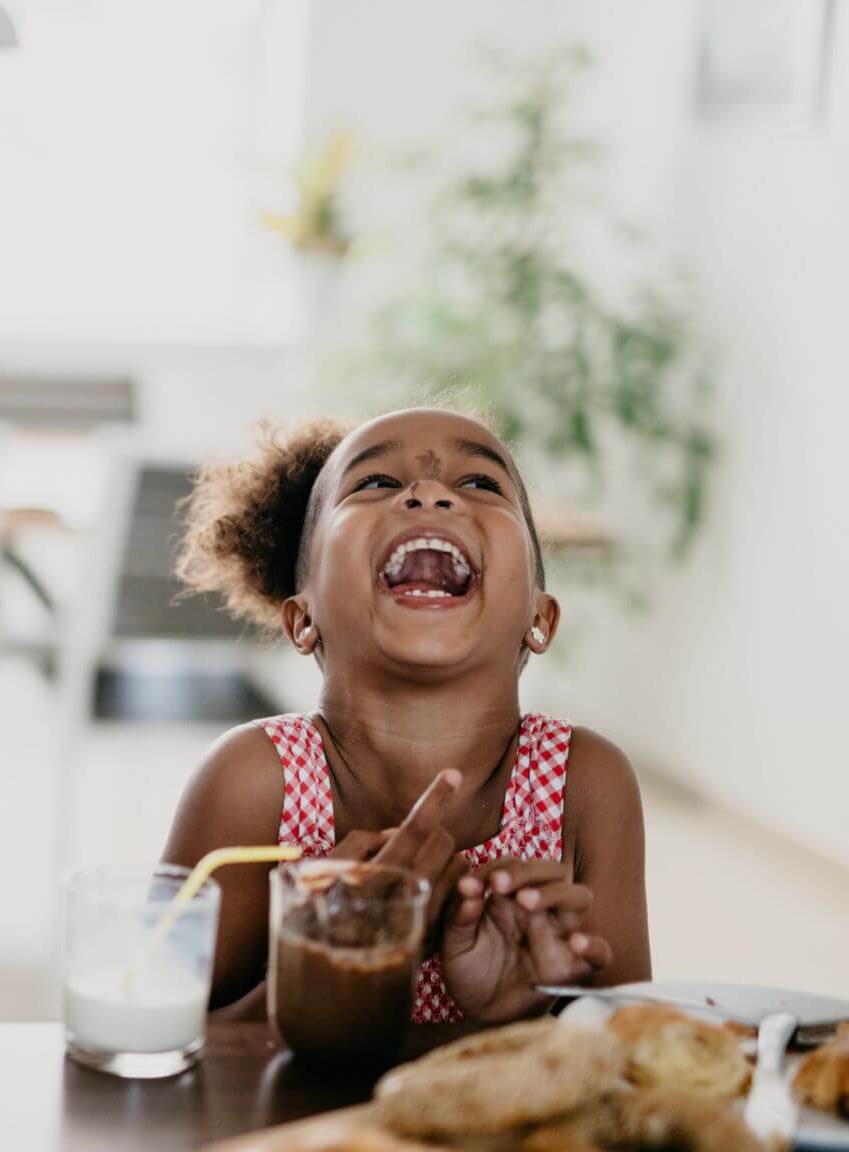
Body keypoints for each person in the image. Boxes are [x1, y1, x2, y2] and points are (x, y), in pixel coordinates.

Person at [161, 407, 650, 1025]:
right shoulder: (251, 783)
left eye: (480, 483)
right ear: (302, 618)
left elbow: (633, 1056)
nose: (429, 492)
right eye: (375, 483)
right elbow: (155, 1051)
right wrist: (330, 968)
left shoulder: (588, 785)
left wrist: (516, 1014)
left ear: (539, 616)